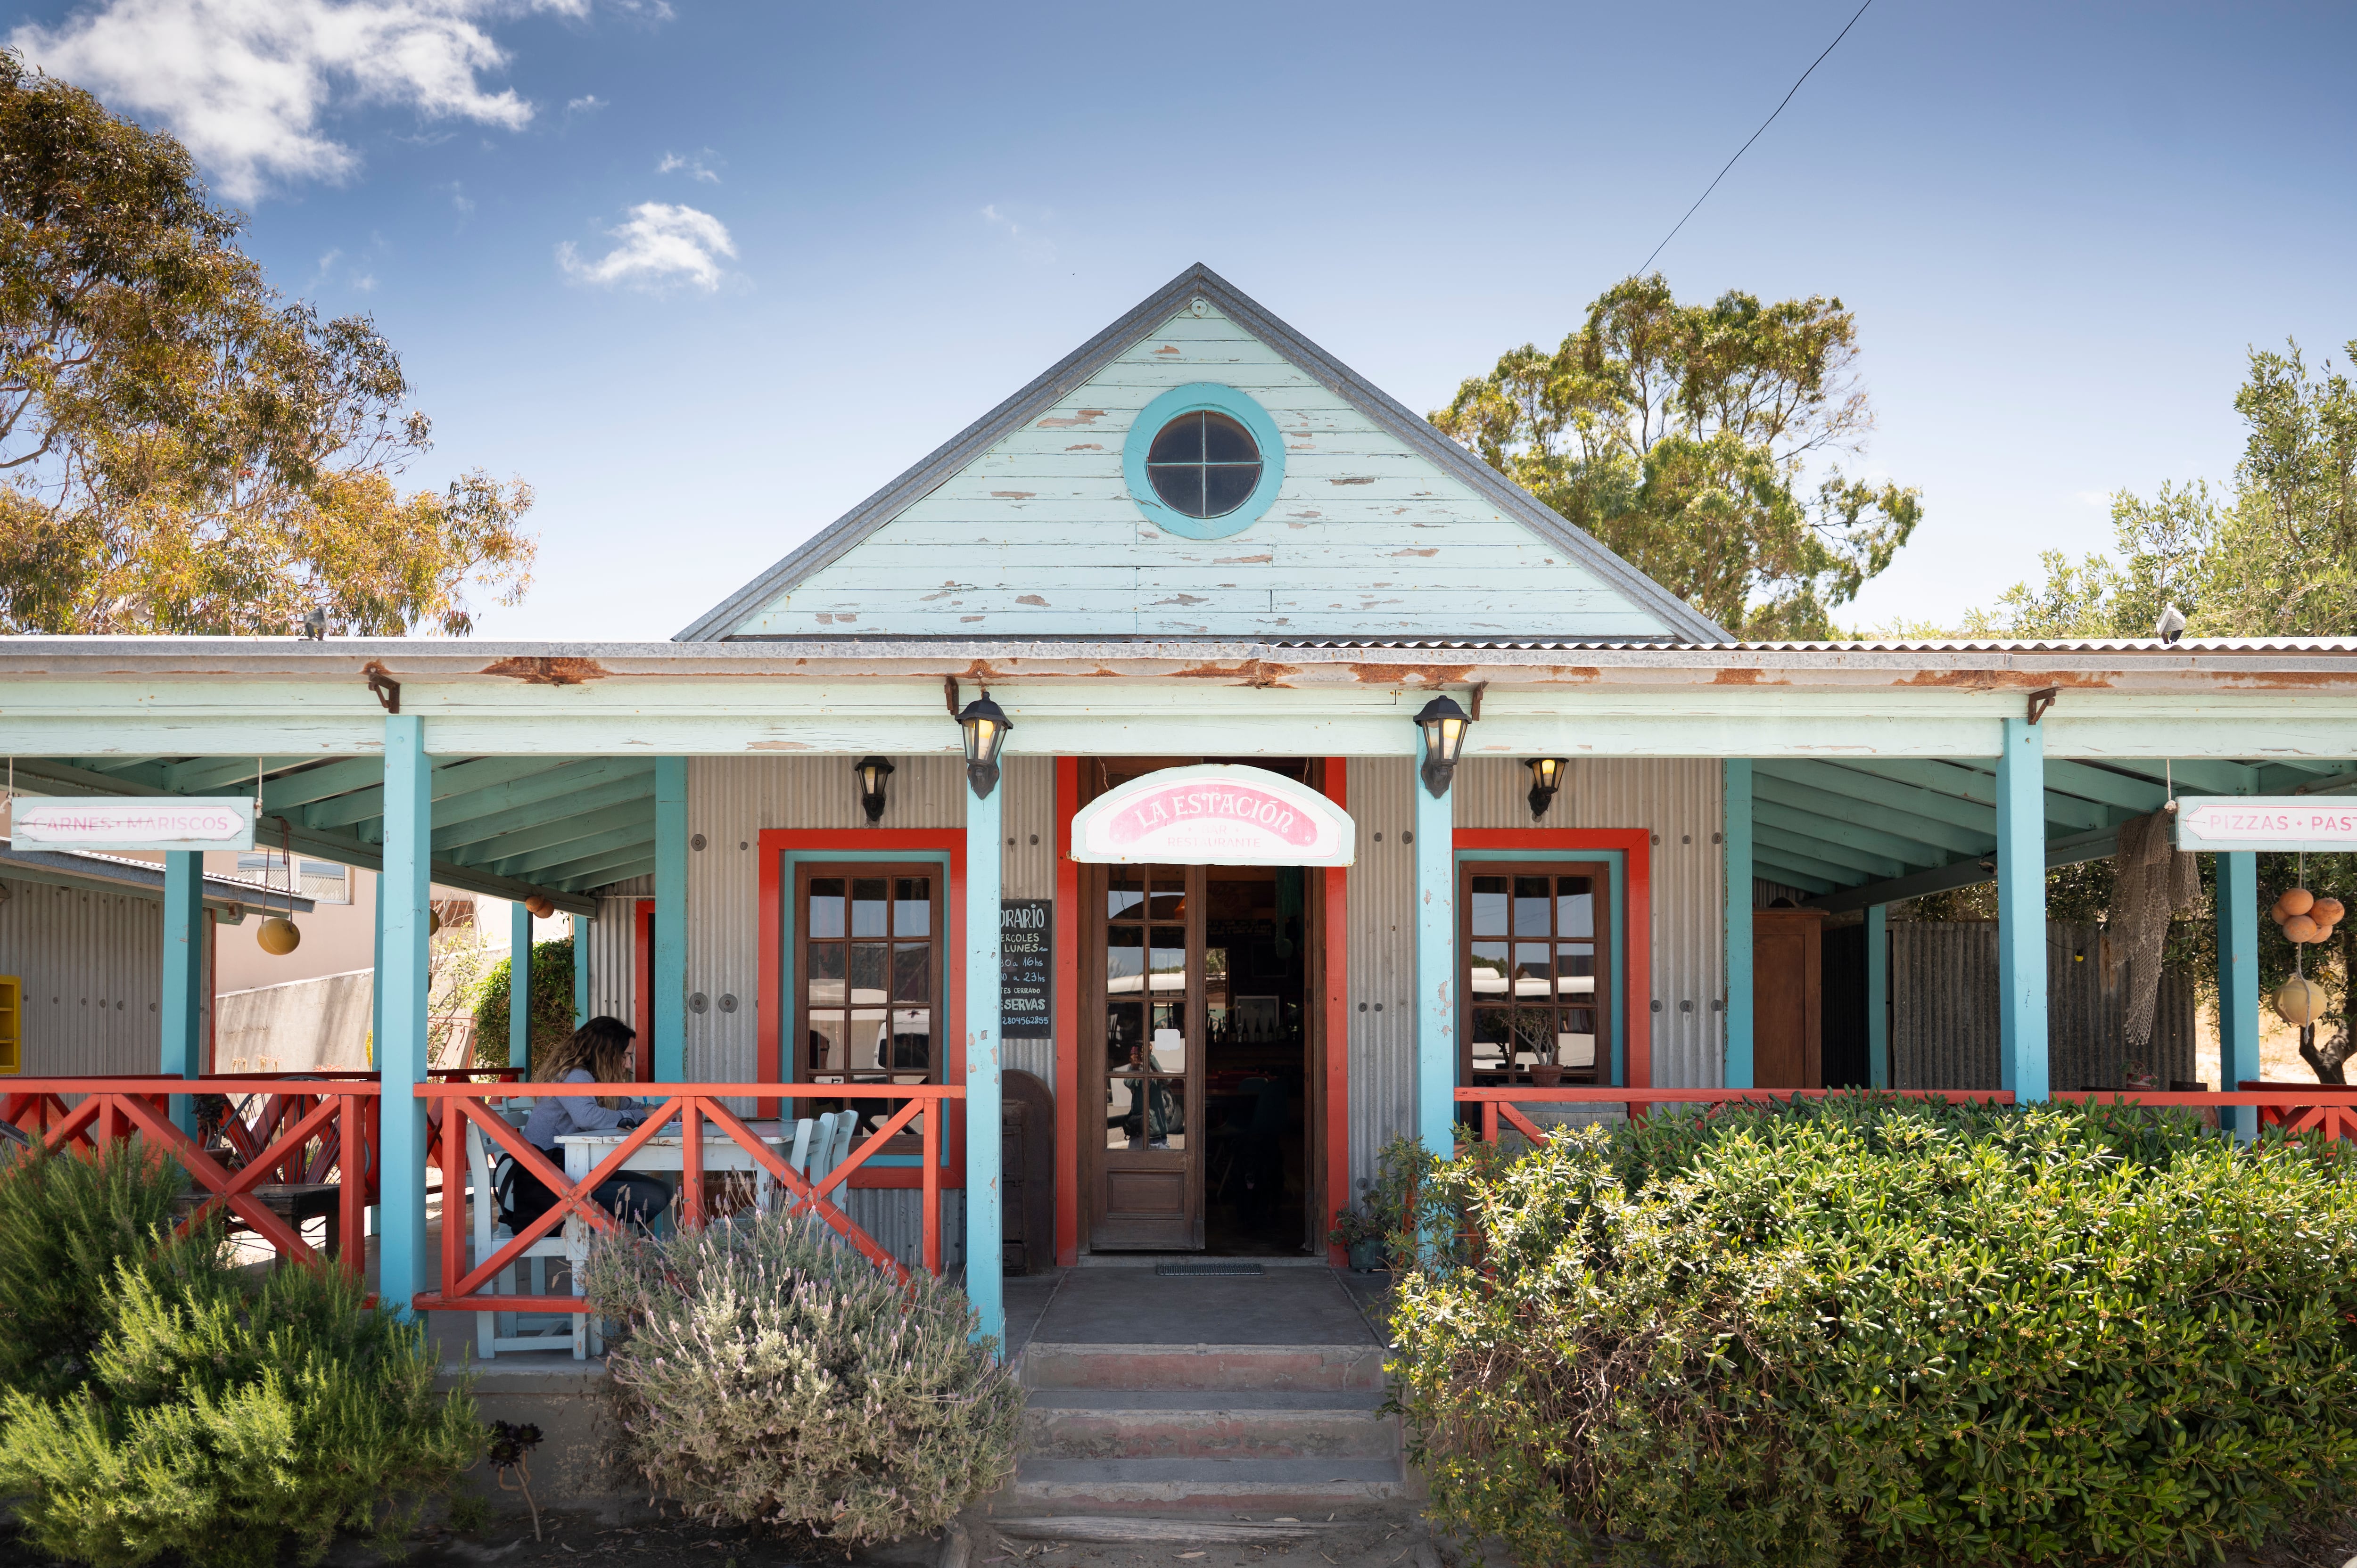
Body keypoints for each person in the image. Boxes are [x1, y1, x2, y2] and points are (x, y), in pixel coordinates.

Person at [501, 1016, 672, 1231]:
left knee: (664, 1189)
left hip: (574, 1174)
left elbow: (625, 1104)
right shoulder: (575, 1076)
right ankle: (615, 1247)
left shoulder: (591, 1077)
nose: (629, 1064)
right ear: (606, 1053)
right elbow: (587, 1117)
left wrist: (665, 1112)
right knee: (653, 1197)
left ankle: (618, 1247)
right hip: (548, 1189)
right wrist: (640, 1116)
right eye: (626, 1056)